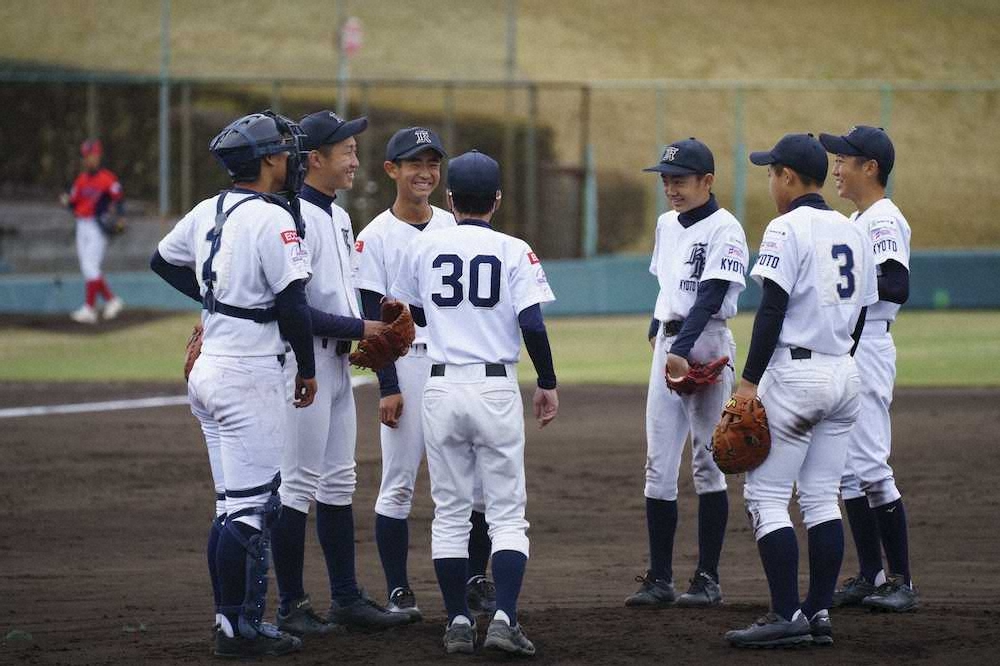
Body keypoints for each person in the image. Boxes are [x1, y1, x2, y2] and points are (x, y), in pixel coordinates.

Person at [150, 110, 317, 658]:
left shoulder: (209, 209)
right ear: (268, 160)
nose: (292, 160)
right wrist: (309, 370)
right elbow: (293, 305)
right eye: (286, 151)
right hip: (247, 374)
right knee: (251, 510)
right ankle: (239, 630)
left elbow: (161, 261)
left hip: (209, 369)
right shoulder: (273, 219)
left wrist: (214, 303)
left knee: (229, 507)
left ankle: (229, 622)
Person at [391, 150, 558, 656]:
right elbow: (531, 324)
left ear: (449, 199)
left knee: (450, 514)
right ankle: (504, 616)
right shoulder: (514, 249)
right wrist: (547, 381)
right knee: (506, 514)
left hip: (439, 386)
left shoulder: (425, 247)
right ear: (497, 200)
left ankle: (458, 623)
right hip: (494, 387)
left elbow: (407, 310)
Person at [722, 133, 877, 648]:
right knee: (820, 500)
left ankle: (787, 614)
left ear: (788, 177)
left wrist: (747, 383)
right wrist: (839, 360)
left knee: (766, 497)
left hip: (796, 374)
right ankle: (818, 614)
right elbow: (860, 316)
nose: (769, 181)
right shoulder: (852, 230)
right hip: (843, 374)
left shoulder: (785, 228)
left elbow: (771, 309)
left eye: (771, 172)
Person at [268, 110, 412, 635]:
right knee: (297, 485)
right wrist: (365, 326)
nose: (355, 159)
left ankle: (346, 598)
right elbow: (296, 309)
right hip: (300, 366)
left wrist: (368, 326)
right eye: (345, 150)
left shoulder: (338, 215)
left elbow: (343, 297)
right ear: (314, 159)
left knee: (338, 481)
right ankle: (290, 605)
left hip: (335, 366)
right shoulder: (292, 218)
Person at [354, 127, 495, 621]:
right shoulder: (373, 237)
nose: (425, 172)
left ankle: (476, 579)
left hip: (455, 361)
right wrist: (388, 387)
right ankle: (398, 589)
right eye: (414, 163)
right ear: (391, 170)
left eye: (433, 164)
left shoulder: (452, 227)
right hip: (409, 365)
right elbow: (374, 323)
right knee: (398, 479)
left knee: (474, 480)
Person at [625, 138, 749, 609]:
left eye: (679, 180)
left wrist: (680, 347)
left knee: (707, 460)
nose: (670, 188)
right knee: (658, 464)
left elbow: (713, 294)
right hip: (671, 346)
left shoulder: (726, 229)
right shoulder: (666, 224)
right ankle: (659, 578)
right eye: (665, 180)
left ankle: (707, 577)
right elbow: (667, 285)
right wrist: (658, 330)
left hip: (708, 342)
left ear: (707, 181)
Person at [819, 126, 916, 612]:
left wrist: (848, 287)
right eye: (835, 160)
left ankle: (901, 581)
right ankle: (871, 574)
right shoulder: (859, 218)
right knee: (849, 474)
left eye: (845, 159)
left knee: (872, 467)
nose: (836, 168)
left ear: (870, 167)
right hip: (849, 346)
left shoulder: (881, 219)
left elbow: (896, 282)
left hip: (870, 346)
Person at [61, 139, 125, 324]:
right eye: (86, 156)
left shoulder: (107, 178)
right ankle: (105, 303)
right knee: (88, 267)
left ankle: (97, 305)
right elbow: (73, 203)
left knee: (90, 266)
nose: (89, 159)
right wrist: (66, 202)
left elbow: (119, 199)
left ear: (98, 156)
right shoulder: (80, 181)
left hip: (98, 226)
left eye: (92, 155)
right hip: (82, 225)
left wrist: (120, 218)